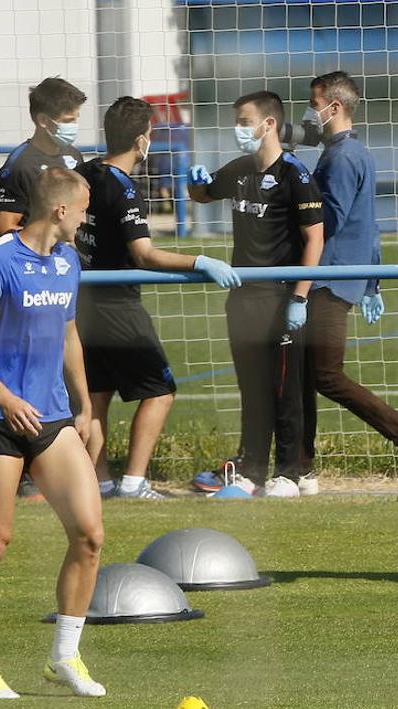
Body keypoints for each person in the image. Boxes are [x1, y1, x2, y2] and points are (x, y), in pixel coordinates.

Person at [75, 97, 241, 499]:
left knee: (97, 396)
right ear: (141, 140)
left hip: (82, 304)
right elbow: (144, 254)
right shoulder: (124, 188)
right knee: (160, 391)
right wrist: (200, 260)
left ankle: (100, 482)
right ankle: (133, 482)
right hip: (117, 306)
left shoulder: (85, 172)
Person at [0, 168, 108, 698]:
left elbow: (67, 334)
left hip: (52, 418)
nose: (86, 218)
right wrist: (7, 400)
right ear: (60, 211)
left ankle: (64, 657)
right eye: (83, 208)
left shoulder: (69, 263)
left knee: (90, 535)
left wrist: (84, 407)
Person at [299, 71, 398, 495]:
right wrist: (373, 282)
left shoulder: (341, 158)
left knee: (325, 375)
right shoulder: (352, 153)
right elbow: (369, 225)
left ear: (334, 107)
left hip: (328, 278)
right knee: (307, 376)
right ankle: (300, 470)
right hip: (339, 276)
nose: (311, 112)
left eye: (314, 102)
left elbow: (330, 220)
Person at [188, 91, 324, 497]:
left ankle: (291, 472)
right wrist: (194, 183)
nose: (238, 129)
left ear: (268, 124)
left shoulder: (295, 175)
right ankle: (252, 470)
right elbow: (205, 194)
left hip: (281, 297)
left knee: (286, 389)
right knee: (252, 388)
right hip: (243, 297)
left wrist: (299, 298)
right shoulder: (241, 169)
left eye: (244, 120)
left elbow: (315, 239)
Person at [0, 77, 88, 501]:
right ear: (45, 121)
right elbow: (4, 232)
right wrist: (41, 257)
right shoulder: (17, 166)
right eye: (69, 120)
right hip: (23, 294)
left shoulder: (73, 157)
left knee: (90, 533)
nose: (74, 127)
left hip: (61, 278)